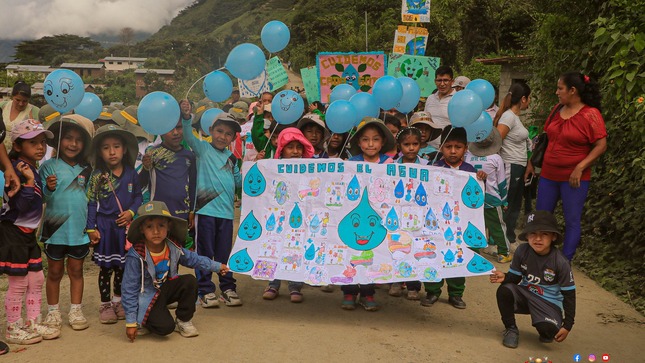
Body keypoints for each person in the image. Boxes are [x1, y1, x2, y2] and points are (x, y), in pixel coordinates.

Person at [524, 72, 607, 261]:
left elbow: (601, 145)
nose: (557, 92)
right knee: (541, 219)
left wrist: (580, 167)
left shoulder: (590, 115)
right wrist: (531, 163)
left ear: (573, 90)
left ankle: (563, 262)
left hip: (575, 178)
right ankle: (540, 258)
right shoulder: (557, 109)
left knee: (571, 221)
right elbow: (543, 139)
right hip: (548, 175)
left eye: (560, 88)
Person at [122, 201, 229, 341]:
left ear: (168, 226)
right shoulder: (136, 255)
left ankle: (184, 320)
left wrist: (217, 266)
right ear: (142, 229)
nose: (156, 231)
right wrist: (130, 322)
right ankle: (142, 320)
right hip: (147, 297)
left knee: (189, 281)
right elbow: (129, 288)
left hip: (164, 289)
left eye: (161, 225)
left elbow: (194, 259)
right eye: (149, 227)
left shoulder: (173, 247)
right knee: (166, 328)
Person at [0, 119, 60, 344]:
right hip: (13, 233)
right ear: (17, 146)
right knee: (19, 282)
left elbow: (35, 200)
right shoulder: (15, 170)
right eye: (32, 142)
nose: (40, 147)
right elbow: (22, 205)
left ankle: (32, 321)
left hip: (28, 234)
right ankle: (13, 327)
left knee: (37, 278)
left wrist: (45, 188)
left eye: (42, 142)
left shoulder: (30, 168)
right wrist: (28, 182)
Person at [489, 210, 576, 349]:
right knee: (504, 290)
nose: (538, 239)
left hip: (549, 302)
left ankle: (546, 323)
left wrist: (568, 325)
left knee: (549, 332)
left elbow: (569, 295)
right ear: (527, 236)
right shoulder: (522, 251)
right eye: (533, 233)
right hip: (526, 294)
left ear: (553, 237)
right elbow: (515, 277)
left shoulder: (560, 262)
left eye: (544, 234)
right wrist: (505, 277)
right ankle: (511, 329)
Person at [421, 127, 486, 309]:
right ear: (441, 147)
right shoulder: (433, 168)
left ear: (465, 148)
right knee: (434, 255)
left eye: (457, 147)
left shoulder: (470, 171)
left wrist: (482, 179)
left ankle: (456, 293)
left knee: (458, 256)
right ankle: (432, 291)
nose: (452, 151)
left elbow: (475, 196)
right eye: (448, 146)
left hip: (460, 225)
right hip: (436, 224)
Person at [40, 115, 94, 331]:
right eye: (68, 138)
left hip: (79, 230)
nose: (73, 144)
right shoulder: (48, 167)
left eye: (78, 140)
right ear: (59, 140)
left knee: (76, 271)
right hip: (55, 230)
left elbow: (91, 201)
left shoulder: (87, 169)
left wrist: (92, 226)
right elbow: (43, 198)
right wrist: (49, 188)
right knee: (54, 272)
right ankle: (53, 312)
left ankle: (76, 309)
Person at [182, 112, 242, 307]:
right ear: (210, 131)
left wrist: (254, 166)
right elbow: (188, 136)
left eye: (228, 134)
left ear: (233, 138)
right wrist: (186, 118)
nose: (222, 136)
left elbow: (238, 184)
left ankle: (227, 288)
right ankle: (205, 290)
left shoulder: (232, 159)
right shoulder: (203, 149)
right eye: (219, 131)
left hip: (226, 214)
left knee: (224, 253)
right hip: (205, 211)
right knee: (204, 253)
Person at [86, 125, 142, 324]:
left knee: (122, 267)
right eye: (106, 147)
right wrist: (91, 228)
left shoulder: (131, 173)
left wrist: (131, 213)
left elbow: (138, 197)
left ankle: (119, 302)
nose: (112, 152)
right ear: (99, 152)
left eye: (116, 146)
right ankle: (105, 304)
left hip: (124, 229)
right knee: (106, 268)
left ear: (124, 149)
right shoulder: (97, 176)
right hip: (105, 228)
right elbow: (91, 202)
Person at [341, 117, 396, 311]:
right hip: (354, 218)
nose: (370, 144)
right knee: (350, 252)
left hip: (376, 219)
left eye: (375, 139)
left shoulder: (390, 163)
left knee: (373, 253)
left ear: (382, 142)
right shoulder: (350, 162)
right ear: (358, 142)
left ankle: (368, 292)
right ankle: (348, 290)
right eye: (365, 139)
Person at [262, 128, 314, 303]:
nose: (295, 151)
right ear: (282, 149)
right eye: (290, 147)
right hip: (278, 217)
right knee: (275, 247)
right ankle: (273, 283)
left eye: (299, 147)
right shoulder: (273, 168)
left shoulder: (309, 168)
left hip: (300, 218)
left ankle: (295, 285)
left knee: (296, 248)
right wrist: (258, 165)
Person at [140, 119, 197, 233]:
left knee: (180, 247)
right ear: (161, 132)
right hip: (158, 212)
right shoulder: (152, 153)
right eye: (170, 129)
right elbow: (141, 183)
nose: (175, 132)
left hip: (182, 212)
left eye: (179, 127)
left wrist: (192, 211)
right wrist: (145, 168)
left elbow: (193, 184)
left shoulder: (189, 155)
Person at [390, 127, 427, 300]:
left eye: (415, 144)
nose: (411, 148)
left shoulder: (427, 166)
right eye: (406, 144)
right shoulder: (391, 166)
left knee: (415, 249)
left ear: (421, 144)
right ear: (399, 145)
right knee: (397, 247)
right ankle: (396, 281)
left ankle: (413, 286)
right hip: (397, 214)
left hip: (419, 215)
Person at [493, 82, 532, 247]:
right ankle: (496, 241)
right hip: (509, 164)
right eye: (529, 98)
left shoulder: (515, 118)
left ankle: (508, 237)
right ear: (523, 99)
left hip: (518, 165)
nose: (529, 102)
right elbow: (497, 140)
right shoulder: (508, 117)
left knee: (515, 204)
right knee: (506, 203)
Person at [465, 128, 512, 263]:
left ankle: (473, 251)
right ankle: (504, 253)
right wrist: (504, 201)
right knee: (497, 226)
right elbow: (502, 182)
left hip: (471, 198)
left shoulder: (468, 156)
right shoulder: (496, 158)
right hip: (492, 197)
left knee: (474, 224)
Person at [1, 81, 40, 151]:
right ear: (12, 96)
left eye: (25, 101)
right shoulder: (2, 106)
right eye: (17, 100)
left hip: (20, 154)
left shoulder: (34, 111)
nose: (21, 104)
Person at [424, 66, 456, 148]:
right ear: (435, 81)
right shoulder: (430, 98)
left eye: (445, 80)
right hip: (428, 148)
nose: (442, 84)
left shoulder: (458, 99)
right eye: (439, 80)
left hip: (449, 149)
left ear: (452, 81)